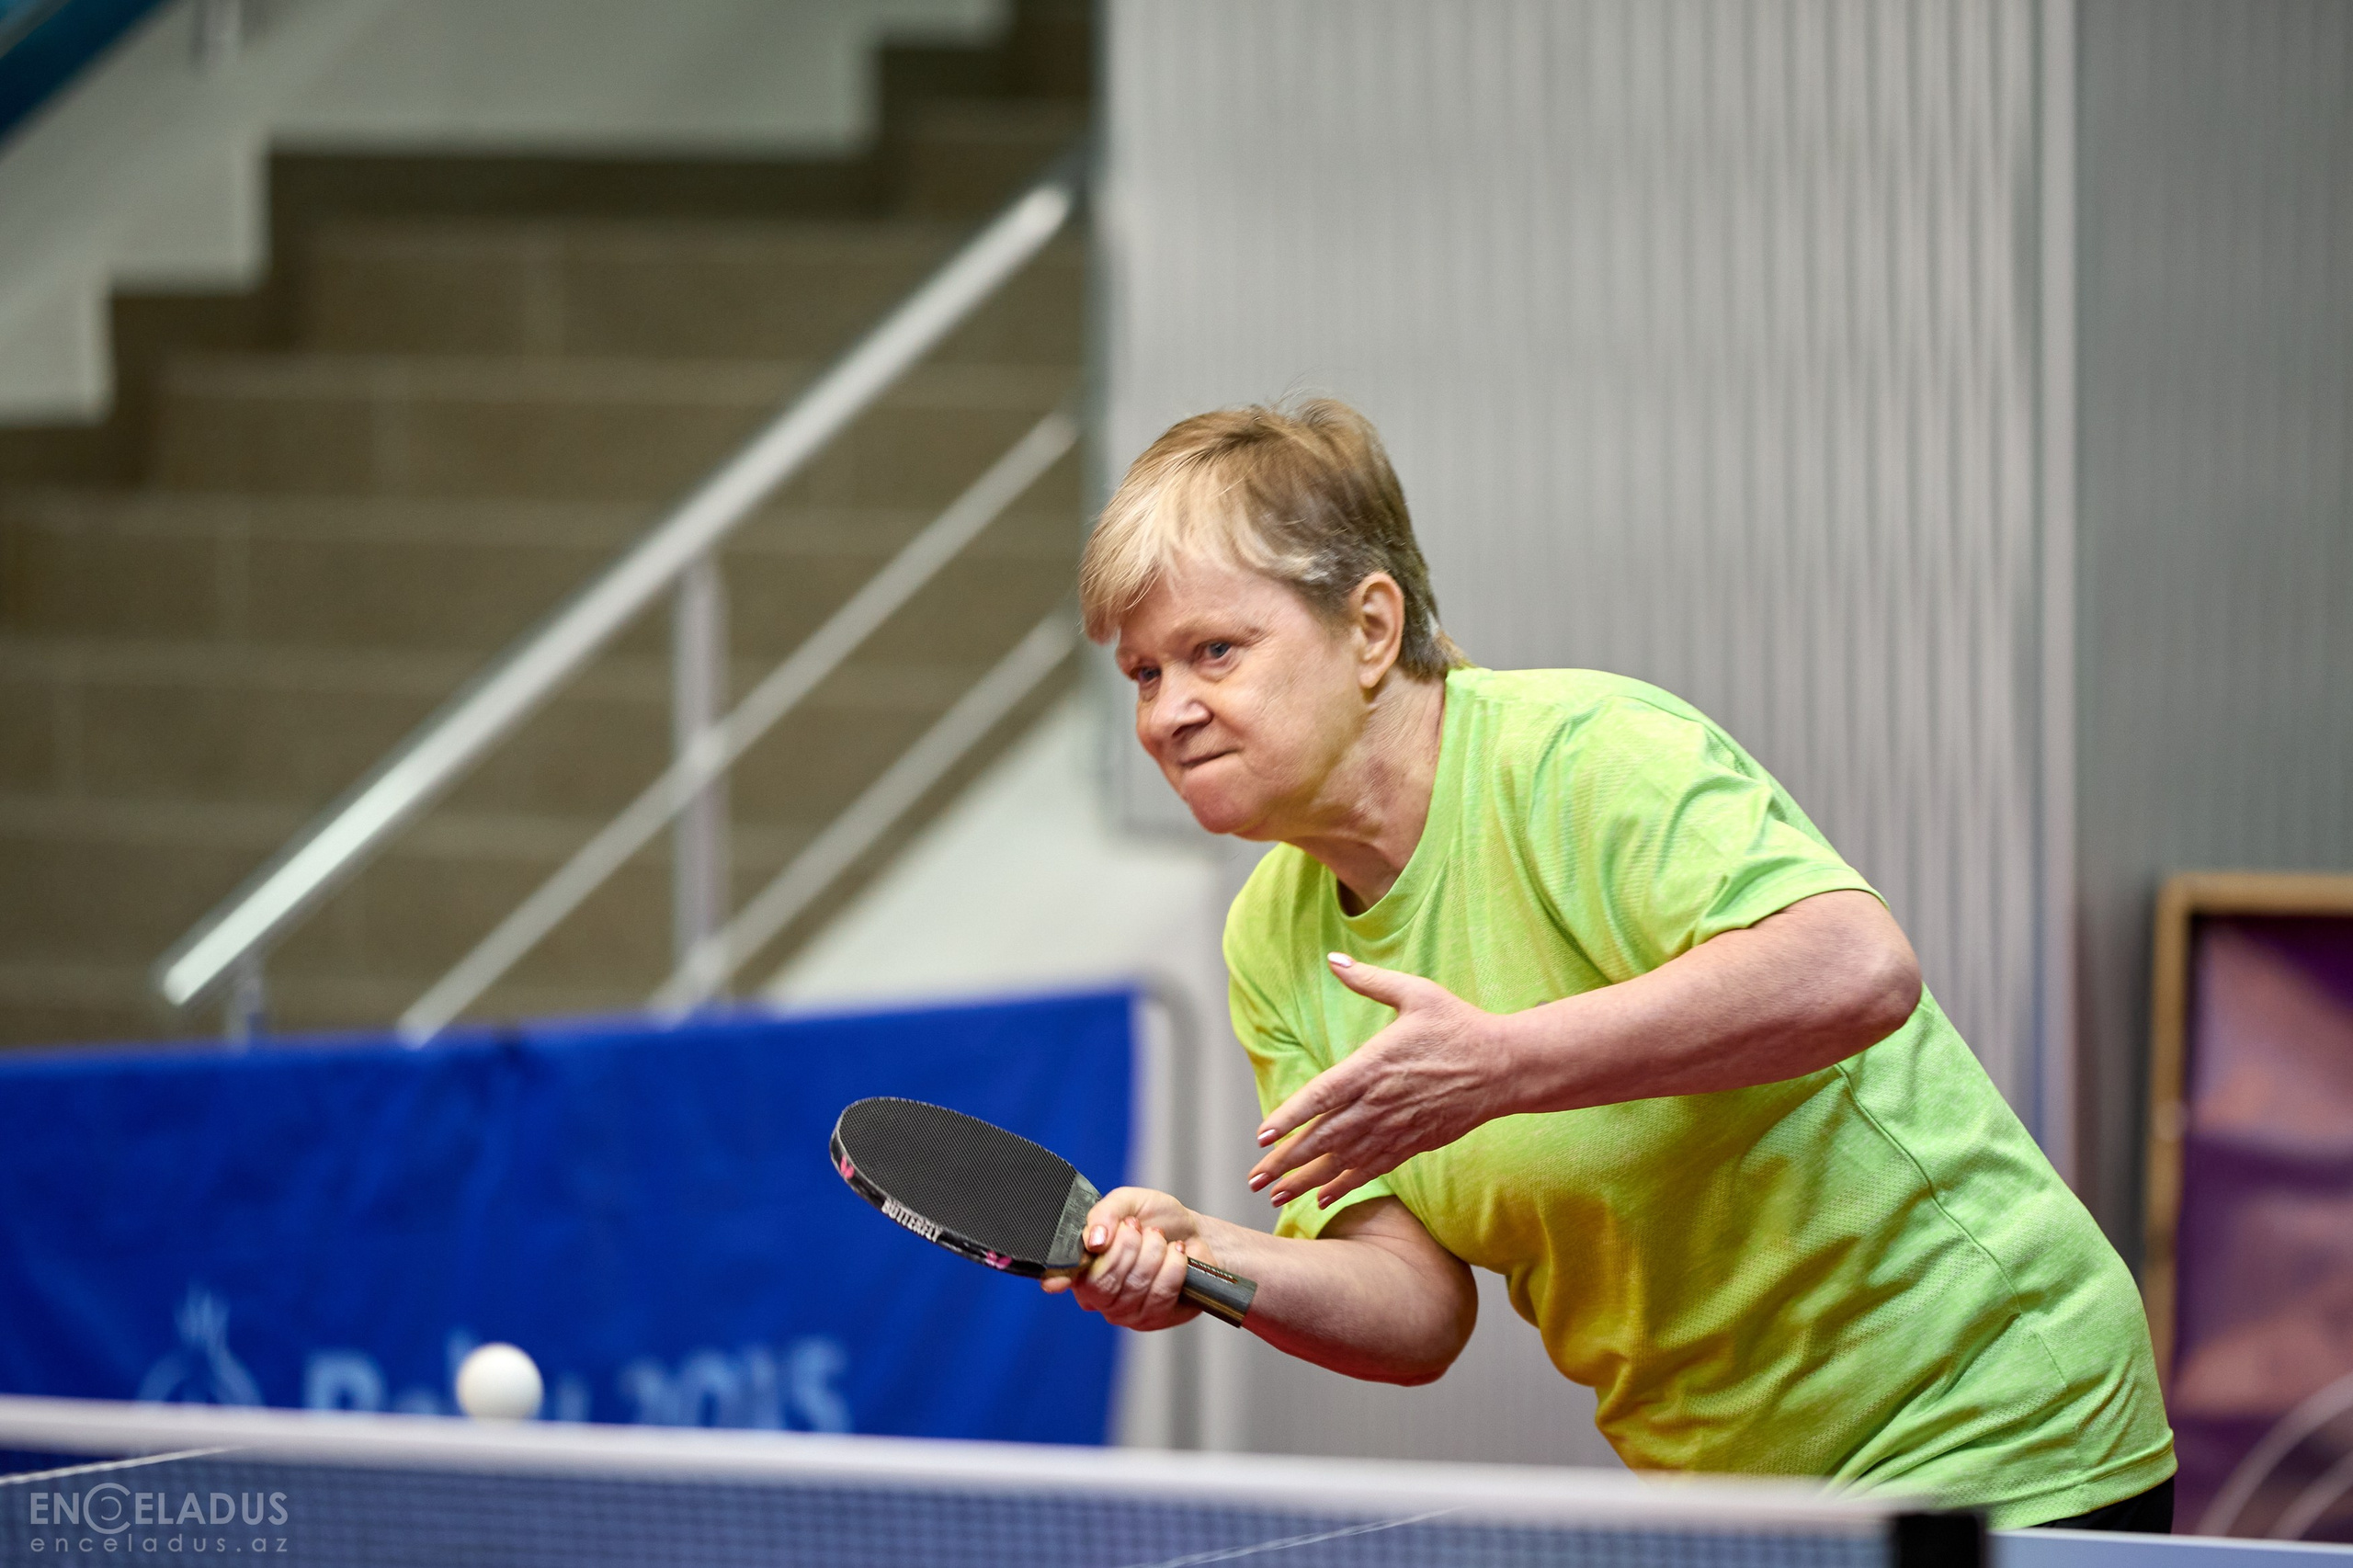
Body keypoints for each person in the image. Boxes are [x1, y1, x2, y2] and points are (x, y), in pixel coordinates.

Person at [1044, 400, 2177, 1531]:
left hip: (1995, 1424)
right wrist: (1207, 1258)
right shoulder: (1272, 937)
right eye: (1143, 673)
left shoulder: (1581, 757)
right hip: (1741, 1503)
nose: (1169, 714)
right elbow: (1414, 1308)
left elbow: (1857, 967)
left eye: (1214, 651)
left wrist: (1502, 1062)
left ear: (1371, 629)